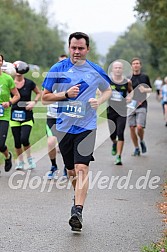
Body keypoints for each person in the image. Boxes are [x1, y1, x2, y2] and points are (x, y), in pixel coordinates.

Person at [42, 32, 112, 231]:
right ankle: (78, 196)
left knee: (82, 168)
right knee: (72, 170)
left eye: (81, 48)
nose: (77, 52)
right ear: (69, 47)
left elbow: (108, 89)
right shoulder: (57, 69)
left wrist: (99, 100)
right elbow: (44, 98)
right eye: (73, 48)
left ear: (87, 49)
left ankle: (77, 210)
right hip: (64, 128)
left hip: (87, 127)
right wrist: (64, 94)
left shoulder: (95, 70)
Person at [10, 61, 41, 170]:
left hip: (27, 116)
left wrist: (34, 102)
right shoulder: (10, 83)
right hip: (14, 116)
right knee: (17, 141)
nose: (18, 72)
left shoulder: (29, 83)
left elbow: (39, 92)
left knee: (24, 139)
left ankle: (29, 158)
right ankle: (20, 162)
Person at [46, 54, 68, 180]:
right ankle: (53, 166)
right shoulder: (51, 78)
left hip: (66, 117)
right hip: (52, 116)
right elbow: (44, 97)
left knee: (65, 144)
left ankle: (67, 166)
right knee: (50, 142)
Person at [107, 60, 133, 165]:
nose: (118, 69)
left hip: (122, 111)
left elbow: (131, 92)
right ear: (113, 69)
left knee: (120, 133)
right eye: (116, 68)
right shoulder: (108, 81)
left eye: (120, 68)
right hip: (110, 111)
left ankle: (118, 156)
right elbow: (101, 91)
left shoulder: (127, 82)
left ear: (122, 69)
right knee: (112, 135)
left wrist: (130, 98)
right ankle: (114, 143)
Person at [128, 57, 152, 156]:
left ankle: (141, 140)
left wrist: (145, 90)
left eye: (137, 63)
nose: (136, 65)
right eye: (134, 63)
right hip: (131, 106)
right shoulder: (128, 78)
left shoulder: (145, 77)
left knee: (139, 127)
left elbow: (150, 89)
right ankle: (136, 148)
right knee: (132, 128)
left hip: (142, 104)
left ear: (140, 65)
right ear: (131, 66)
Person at [0, 54, 20, 172]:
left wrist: (9, 102)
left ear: (2, 63)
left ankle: (8, 156)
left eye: (0, 60)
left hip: (4, 115)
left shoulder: (7, 78)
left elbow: (17, 96)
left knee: (0, 144)